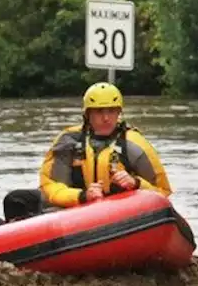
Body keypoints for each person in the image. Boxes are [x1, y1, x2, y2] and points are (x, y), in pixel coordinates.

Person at [38, 81, 171, 210]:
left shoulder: (135, 145)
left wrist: (136, 183)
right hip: (77, 212)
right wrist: (82, 196)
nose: (106, 118)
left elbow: (162, 192)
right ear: (88, 115)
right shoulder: (68, 141)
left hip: (123, 212)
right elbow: (51, 187)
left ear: (119, 113)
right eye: (99, 111)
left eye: (111, 111)